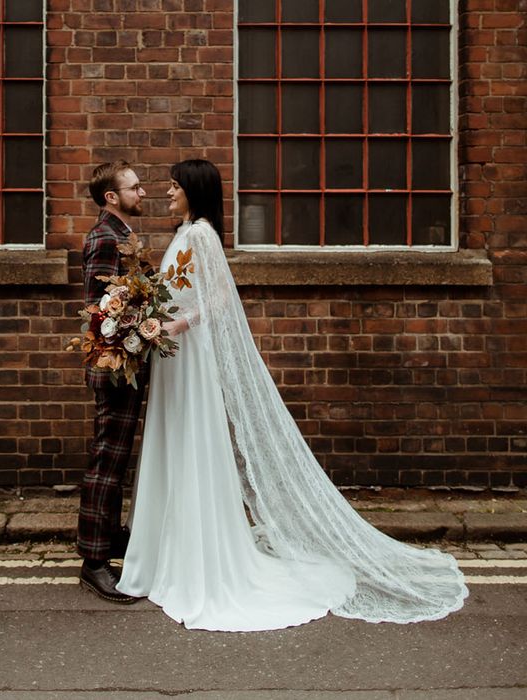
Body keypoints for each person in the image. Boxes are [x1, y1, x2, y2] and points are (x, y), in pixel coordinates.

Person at [116, 159, 468, 631]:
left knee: (192, 442)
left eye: (176, 187)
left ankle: (195, 558)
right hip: (171, 356)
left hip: (187, 353)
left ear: (195, 192)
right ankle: (166, 552)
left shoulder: (201, 234)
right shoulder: (184, 233)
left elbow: (219, 298)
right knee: (173, 443)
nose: (168, 194)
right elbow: (177, 289)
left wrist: (178, 323)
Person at [78, 160, 148, 604]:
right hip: (113, 364)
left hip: (125, 363)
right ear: (111, 196)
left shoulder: (120, 235)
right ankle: (94, 561)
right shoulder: (106, 238)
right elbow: (103, 310)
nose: (142, 193)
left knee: (115, 460)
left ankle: (110, 537)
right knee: (107, 461)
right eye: (134, 187)